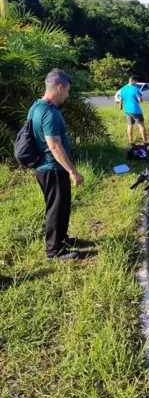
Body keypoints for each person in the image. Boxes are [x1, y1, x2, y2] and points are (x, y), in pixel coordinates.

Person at [29, 69, 84, 261]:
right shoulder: (49, 113)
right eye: (67, 90)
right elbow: (54, 145)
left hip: (48, 168)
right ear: (60, 87)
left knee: (61, 206)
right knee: (56, 209)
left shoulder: (37, 106)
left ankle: (62, 239)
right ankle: (53, 251)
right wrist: (73, 171)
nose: (68, 95)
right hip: (52, 168)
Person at [119, 76, 148, 146]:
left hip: (127, 110)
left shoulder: (123, 89)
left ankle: (131, 141)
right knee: (141, 125)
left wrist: (120, 107)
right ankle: (145, 141)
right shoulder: (135, 89)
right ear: (133, 81)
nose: (136, 83)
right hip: (135, 110)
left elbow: (121, 99)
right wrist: (139, 98)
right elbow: (140, 100)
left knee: (130, 125)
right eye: (136, 82)